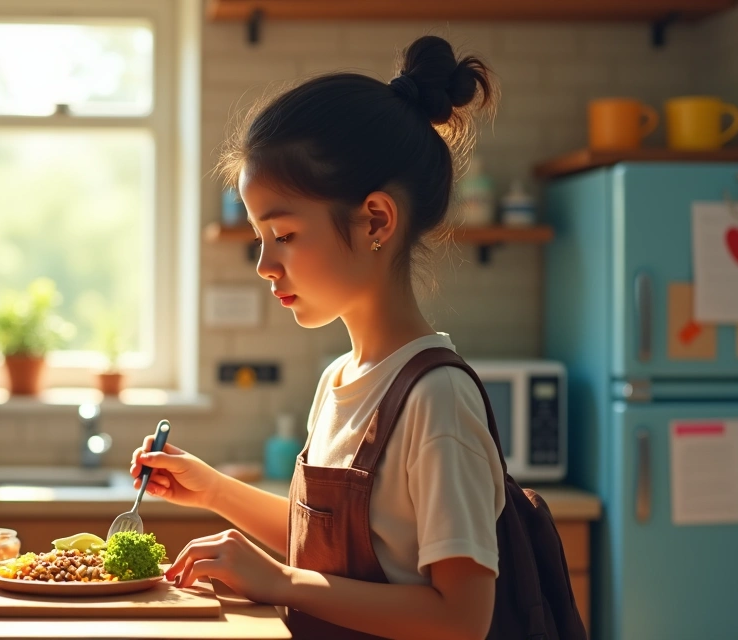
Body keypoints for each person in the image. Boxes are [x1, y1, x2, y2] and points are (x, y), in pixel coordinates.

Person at [130, 35, 504, 639]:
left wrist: (278, 581)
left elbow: (461, 619)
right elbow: (338, 550)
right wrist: (215, 490)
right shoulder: (338, 381)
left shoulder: (437, 401)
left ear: (376, 220)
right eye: (259, 238)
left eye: (284, 234)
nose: (264, 265)